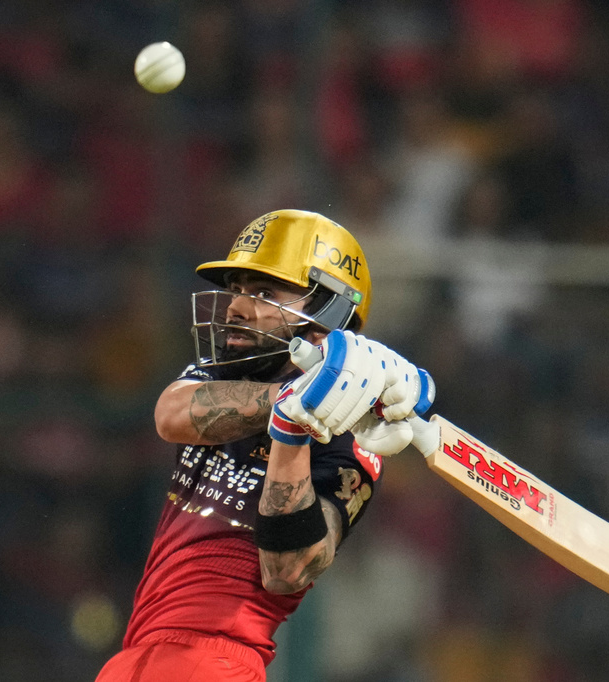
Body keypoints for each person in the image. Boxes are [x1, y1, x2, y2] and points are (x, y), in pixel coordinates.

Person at [95, 210, 430, 682]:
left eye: (263, 294)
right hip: (139, 656)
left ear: (325, 314)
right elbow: (170, 416)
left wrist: (294, 431)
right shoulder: (227, 377)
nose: (235, 307)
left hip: (216, 663)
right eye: (238, 290)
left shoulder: (349, 442)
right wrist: (291, 401)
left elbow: (289, 570)